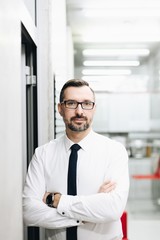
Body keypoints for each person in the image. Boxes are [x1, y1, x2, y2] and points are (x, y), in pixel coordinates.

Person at [23, 79, 129, 240]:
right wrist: (87, 215)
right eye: (71, 103)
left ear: (94, 108)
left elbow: (113, 208)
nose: (80, 111)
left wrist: (57, 201)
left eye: (87, 103)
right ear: (60, 108)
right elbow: (29, 212)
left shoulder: (114, 151)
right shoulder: (43, 154)